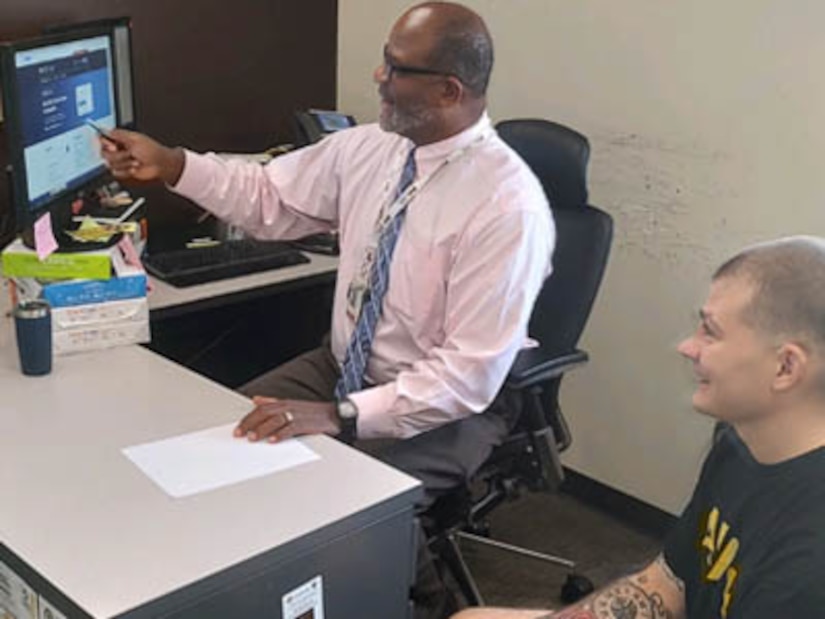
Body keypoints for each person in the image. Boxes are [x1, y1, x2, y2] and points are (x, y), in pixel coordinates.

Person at [103, 3, 553, 617]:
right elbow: (268, 194)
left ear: (449, 90)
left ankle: (427, 602)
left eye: (396, 68)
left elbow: (464, 377)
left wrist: (338, 415)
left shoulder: (506, 206)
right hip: (341, 366)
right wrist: (174, 164)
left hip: (447, 405)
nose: (377, 77)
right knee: (223, 441)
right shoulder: (374, 147)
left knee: (336, 494)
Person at [451, 235, 825, 619]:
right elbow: (669, 584)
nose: (687, 347)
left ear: (786, 367)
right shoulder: (740, 442)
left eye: (710, 332)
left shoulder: (810, 565)